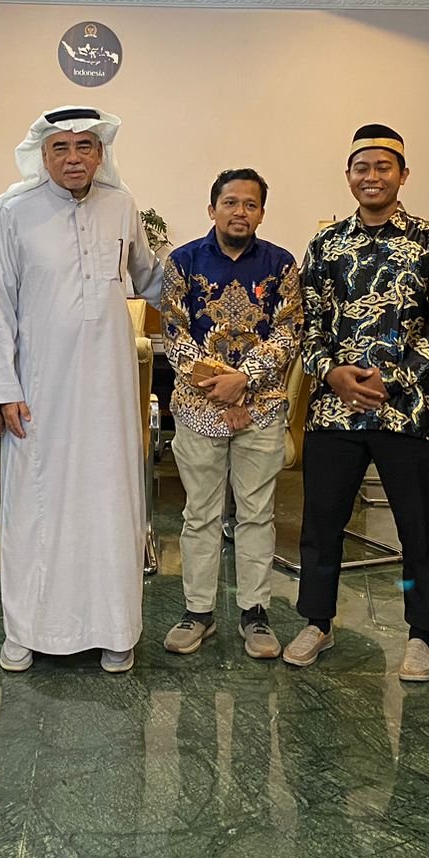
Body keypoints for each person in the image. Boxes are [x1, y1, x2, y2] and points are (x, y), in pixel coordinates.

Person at [0, 106, 165, 674]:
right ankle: (28, 630)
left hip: (110, 389)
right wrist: (3, 387)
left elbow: (151, 278)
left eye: (85, 146)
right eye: (60, 148)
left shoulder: (122, 205)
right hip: (39, 389)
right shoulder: (15, 213)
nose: (73, 158)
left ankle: (115, 629)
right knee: (35, 503)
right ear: (43, 156)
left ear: (100, 154)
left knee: (110, 499)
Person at [285, 125, 429, 681]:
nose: (372, 177)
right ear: (348, 176)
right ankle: (317, 621)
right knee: (321, 524)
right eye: (361, 168)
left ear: (403, 174)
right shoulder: (325, 245)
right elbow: (307, 321)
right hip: (334, 411)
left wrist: (395, 378)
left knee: (417, 528)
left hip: (403, 412)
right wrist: (332, 373)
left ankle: (421, 635)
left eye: (383, 167)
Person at [159, 168, 301, 660]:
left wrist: (245, 383)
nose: (240, 212)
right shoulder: (182, 262)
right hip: (199, 407)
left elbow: (288, 333)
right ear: (212, 208)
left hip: (261, 408)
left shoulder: (281, 265)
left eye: (250, 204)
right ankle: (197, 612)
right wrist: (224, 391)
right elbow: (175, 334)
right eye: (231, 202)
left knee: (257, 513)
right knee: (200, 514)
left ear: (261, 212)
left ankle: (255, 613)